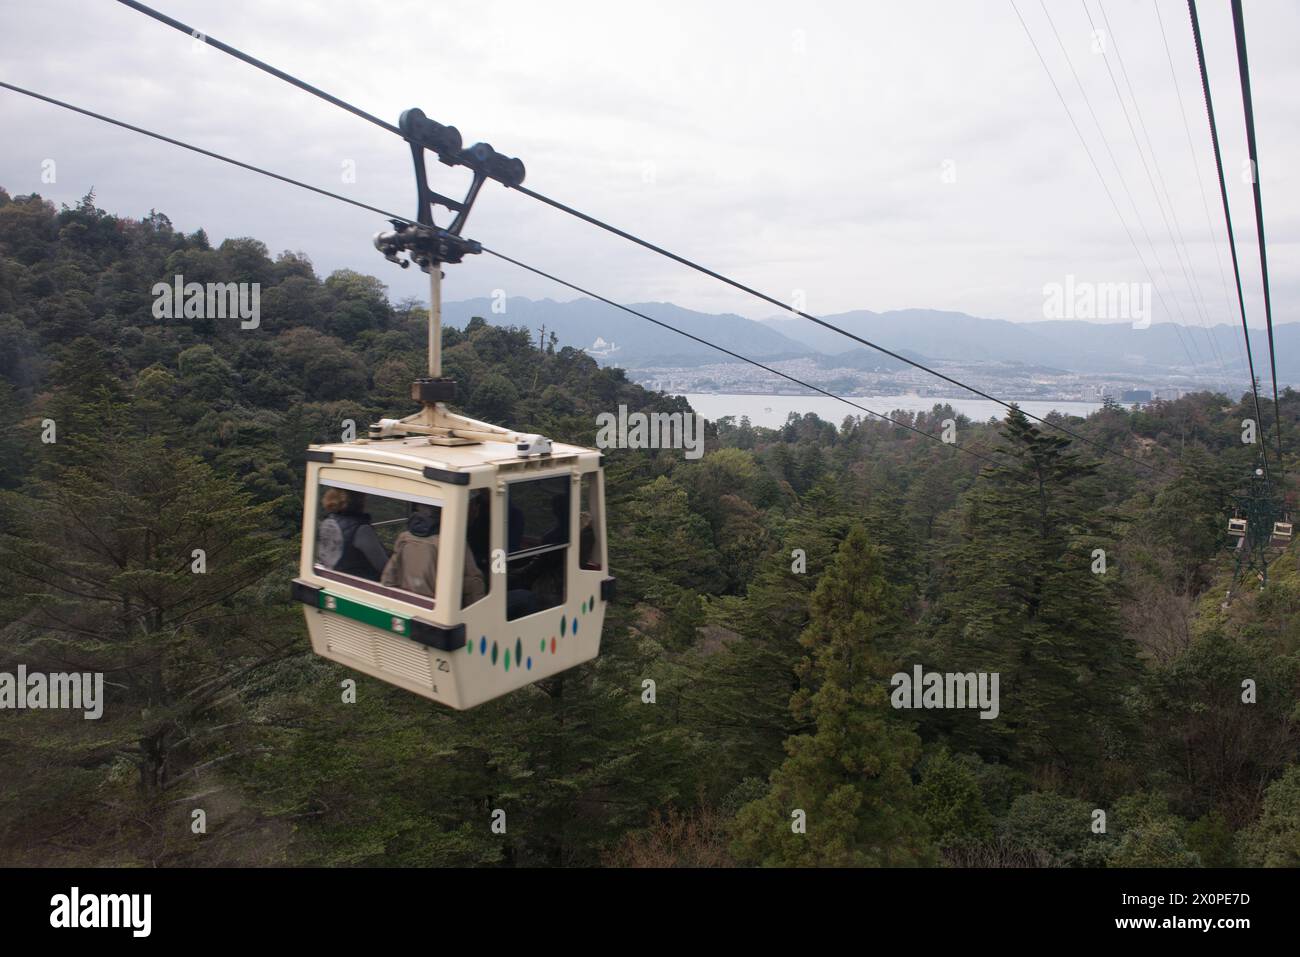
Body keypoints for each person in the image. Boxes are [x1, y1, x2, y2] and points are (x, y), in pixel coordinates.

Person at [382, 504, 486, 606]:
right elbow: (474, 582)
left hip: (408, 602)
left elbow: (388, 577)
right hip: (438, 606)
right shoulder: (452, 542)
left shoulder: (404, 538)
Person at [317, 488, 387, 581]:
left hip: (334, 577)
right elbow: (383, 565)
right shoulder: (361, 529)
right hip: (360, 583)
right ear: (356, 501)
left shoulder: (327, 522)